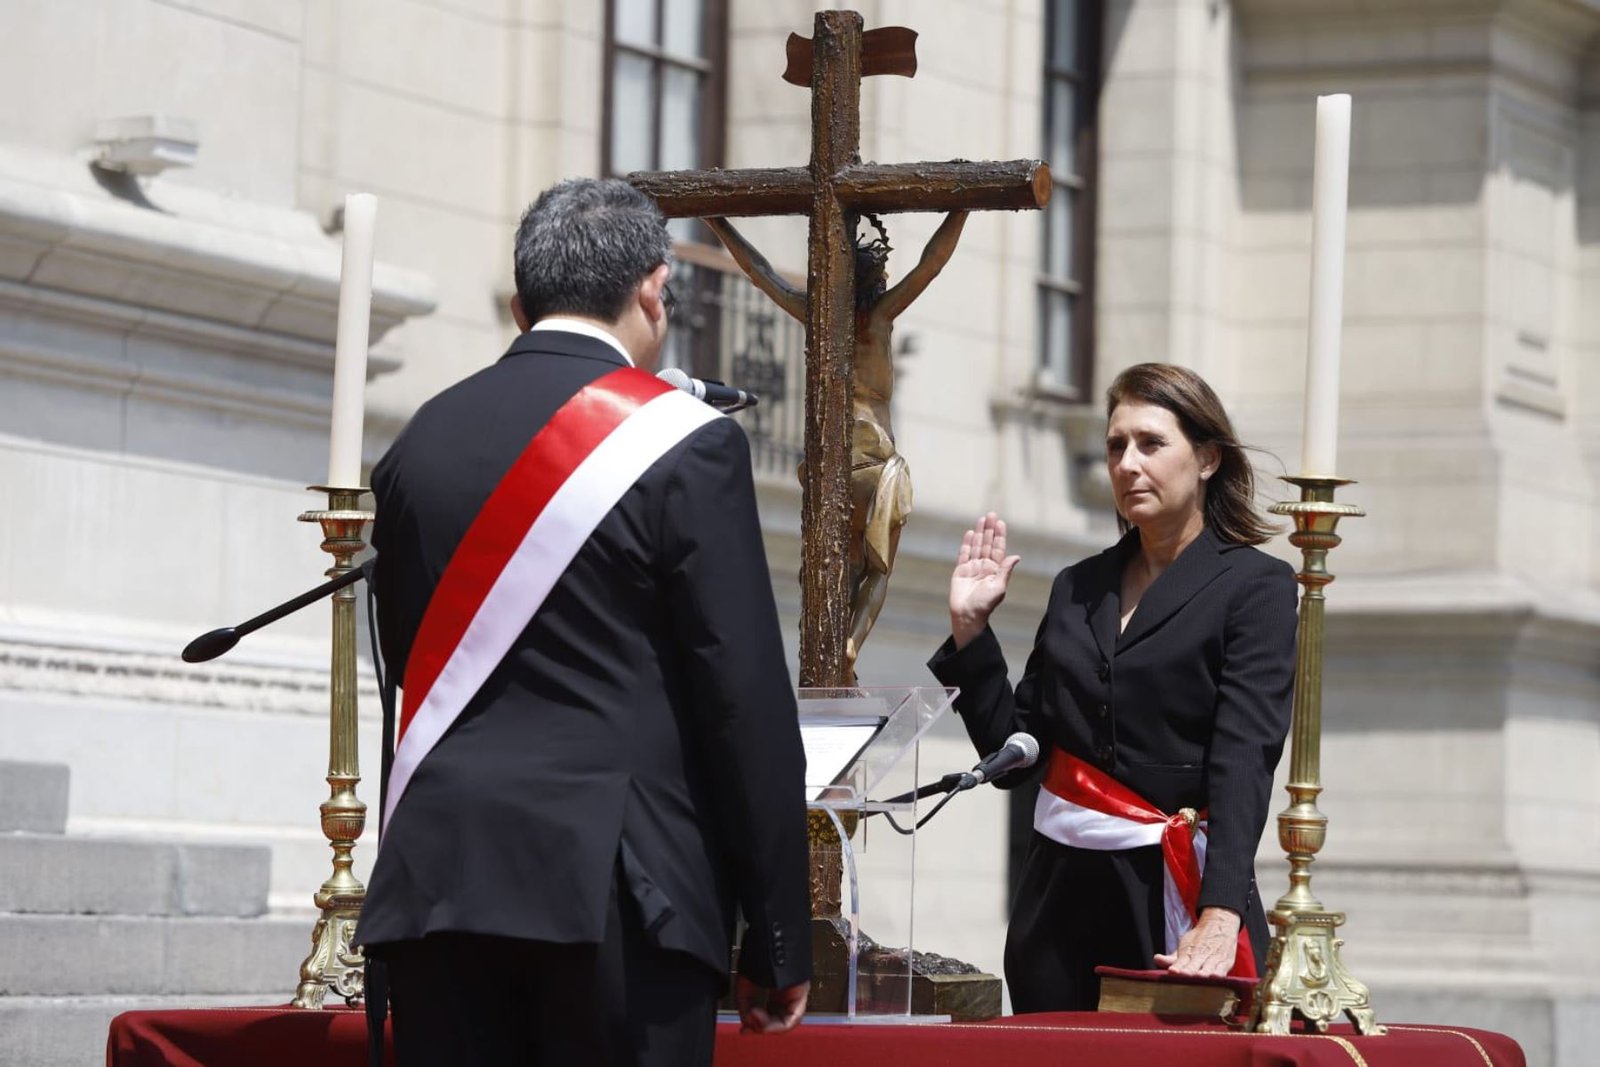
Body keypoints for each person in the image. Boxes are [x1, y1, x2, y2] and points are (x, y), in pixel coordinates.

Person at [355, 177, 813, 1065]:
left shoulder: (422, 439)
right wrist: (780, 930)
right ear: (654, 288)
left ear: (522, 304)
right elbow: (741, 698)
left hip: (438, 882)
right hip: (617, 895)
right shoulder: (688, 441)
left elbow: (418, 661)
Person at [928, 362, 1298, 1012]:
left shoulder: (1255, 586)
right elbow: (1018, 754)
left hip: (1174, 907)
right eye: (1116, 445)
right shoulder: (1078, 584)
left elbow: (1244, 760)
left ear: (1208, 457)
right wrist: (970, 631)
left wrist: (1219, 913)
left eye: (1151, 443)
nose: (1128, 463)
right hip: (1057, 919)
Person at [705, 211, 968, 681]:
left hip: (828, 465)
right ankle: (850, 643)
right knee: (877, 570)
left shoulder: (817, 313)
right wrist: (961, 209)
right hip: (875, 463)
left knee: (836, 566)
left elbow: (758, 272)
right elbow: (933, 262)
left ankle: (832, 659)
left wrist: (718, 223)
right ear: (877, 279)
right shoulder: (883, 316)